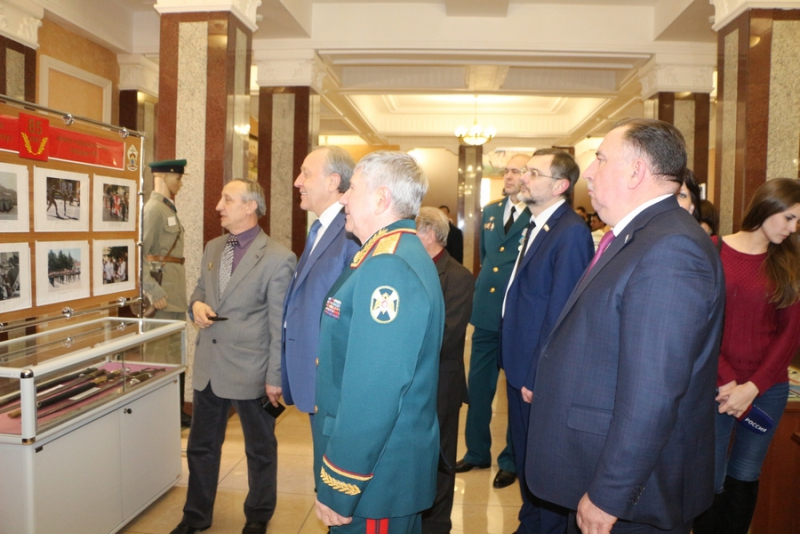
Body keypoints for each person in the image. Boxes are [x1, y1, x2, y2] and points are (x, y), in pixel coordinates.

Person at [527, 118, 726, 534]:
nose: (590, 172)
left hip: (632, 496)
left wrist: (609, 493)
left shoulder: (671, 248)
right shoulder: (637, 235)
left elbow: (654, 391)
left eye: (600, 159)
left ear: (636, 172)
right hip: (596, 463)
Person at [313, 151, 445, 533]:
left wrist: (341, 482)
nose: (343, 198)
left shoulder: (389, 265)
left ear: (381, 199)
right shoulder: (386, 253)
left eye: (352, 188)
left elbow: (374, 390)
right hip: (382, 470)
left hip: (375, 478)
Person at [170, 179, 296, 534]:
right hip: (210, 367)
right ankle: (195, 516)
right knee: (201, 447)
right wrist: (196, 306)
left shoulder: (278, 258)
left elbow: (278, 325)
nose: (218, 206)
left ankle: (258, 515)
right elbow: (199, 290)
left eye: (227, 199)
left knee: (259, 450)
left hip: (251, 371)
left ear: (250, 206)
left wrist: (274, 377)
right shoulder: (213, 248)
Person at [693, 178, 800, 534]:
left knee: (745, 474)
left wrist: (753, 387)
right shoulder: (713, 249)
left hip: (766, 389)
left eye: (798, 222)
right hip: (716, 386)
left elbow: (790, 334)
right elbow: (700, 323)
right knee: (710, 477)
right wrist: (728, 382)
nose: (792, 228)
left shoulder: (789, 261)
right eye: (789, 218)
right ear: (768, 206)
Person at [501, 149, 594, 534]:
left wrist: (539, 375)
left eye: (534, 173)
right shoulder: (538, 224)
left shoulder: (570, 232)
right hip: (520, 365)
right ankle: (531, 523)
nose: (524, 178)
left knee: (543, 466)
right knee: (526, 458)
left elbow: (561, 316)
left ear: (560, 186)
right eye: (525, 171)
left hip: (536, 374)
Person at [456, 154, 531, 489]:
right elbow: (487, 259)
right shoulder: (490, 211)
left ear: (529, 176)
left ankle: (511, 459)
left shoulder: (536, 213)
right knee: (478, 387)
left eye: (516, 170)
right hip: (486, 312)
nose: (508, 175)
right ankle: (476, 452)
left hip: (516, 315)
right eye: (506, 170)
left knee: (514, 390)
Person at [281, 146, 361, 420]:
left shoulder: (350, 232)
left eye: (306, 174)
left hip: (331, 377)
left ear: (333, 181)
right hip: (311, 372)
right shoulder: (319, 229)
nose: (297, 182)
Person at [416, 207, 474, 534]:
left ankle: (436, 526)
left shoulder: (458, 276)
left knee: (440, 461)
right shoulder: (409, 268)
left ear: (428, 234)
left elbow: (447, 336)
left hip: (441, 383)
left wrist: (399, 353)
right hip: (411, 381)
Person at [142, 159, 191, 426]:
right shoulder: (153, 210)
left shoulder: (167, 208)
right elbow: (137, 253)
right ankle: (157, 415)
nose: (180, 183)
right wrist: (152, 289)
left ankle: (175, 412)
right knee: (159, 356)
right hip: (162, 296)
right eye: (177, 178)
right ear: (163, 176)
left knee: (175, 355)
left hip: (174, 295)